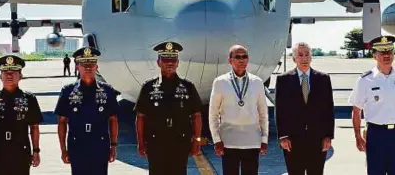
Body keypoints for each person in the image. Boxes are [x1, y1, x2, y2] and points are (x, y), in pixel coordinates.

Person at [348, 35, 395, 175]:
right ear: (374, 55)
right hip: (375, 135)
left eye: (390, 52)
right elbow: (356, 110)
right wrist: (357, 136)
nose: (387, 55)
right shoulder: (365, 80)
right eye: (382, 52)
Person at [134, 41, 203, 175]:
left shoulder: (188, 87)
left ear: (178, 62)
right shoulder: (148, 87)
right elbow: (140, 118)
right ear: (158, 62)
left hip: (180, 142)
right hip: (156, 143)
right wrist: (141, 143)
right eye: (165, 59)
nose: (169, 63)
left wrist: (197, 141)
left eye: (173, 59)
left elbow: (197, 116)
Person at [54, 47, 120, 175]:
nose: (88, 67)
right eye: (84, 64)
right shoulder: (68, 91)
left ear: (97, 66)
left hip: (99, 145)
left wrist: (113, 146)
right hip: (77, 145)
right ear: (77, 66)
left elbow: (113, 119)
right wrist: (63, 149)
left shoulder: (107, 90)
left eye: (92, 64)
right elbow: (62, 121)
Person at [275, 42, 334, 175]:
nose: (304, 58)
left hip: (317, 139)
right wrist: (283, 136)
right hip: (292, 140)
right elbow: (280, 110)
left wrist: (328, 136)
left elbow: (329, 109)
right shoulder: (283, 80)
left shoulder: (323, 79)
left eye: (307, 54)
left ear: (311, 57)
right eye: (300, 55)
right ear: (294, 58)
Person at [209, 45, 269, 175]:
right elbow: (213, 114)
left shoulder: (257, 82)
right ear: (230, 60)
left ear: (248, 60)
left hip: (252, 141)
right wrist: (216, 139)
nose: (241, 60)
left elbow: (263, 113)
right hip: (229, 142)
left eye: (244, 57)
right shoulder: (220, 82)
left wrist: (264, 139)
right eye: (237, 57)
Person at [0, 55, 44, 175]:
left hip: (21, 151)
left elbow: (34, 127)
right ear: (0, 76)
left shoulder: (29, 98)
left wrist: (36, 151)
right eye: (5, 72)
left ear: (20, 76)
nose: (9, 75)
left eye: (14, 72)